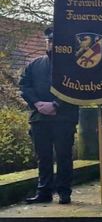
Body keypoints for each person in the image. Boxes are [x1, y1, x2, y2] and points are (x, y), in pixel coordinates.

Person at [19, 27, 79, 204]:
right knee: (43, 157)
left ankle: (64, 192)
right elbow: (24, 86)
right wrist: (37, 104)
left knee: (63, 156)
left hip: (64, 118)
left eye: (55, 40)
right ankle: (44, 192)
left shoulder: (74, 65)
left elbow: (77, 88)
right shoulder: (34, 64)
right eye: (50, 40)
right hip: (39, 119)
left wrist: (56, 105)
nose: (52, 43)